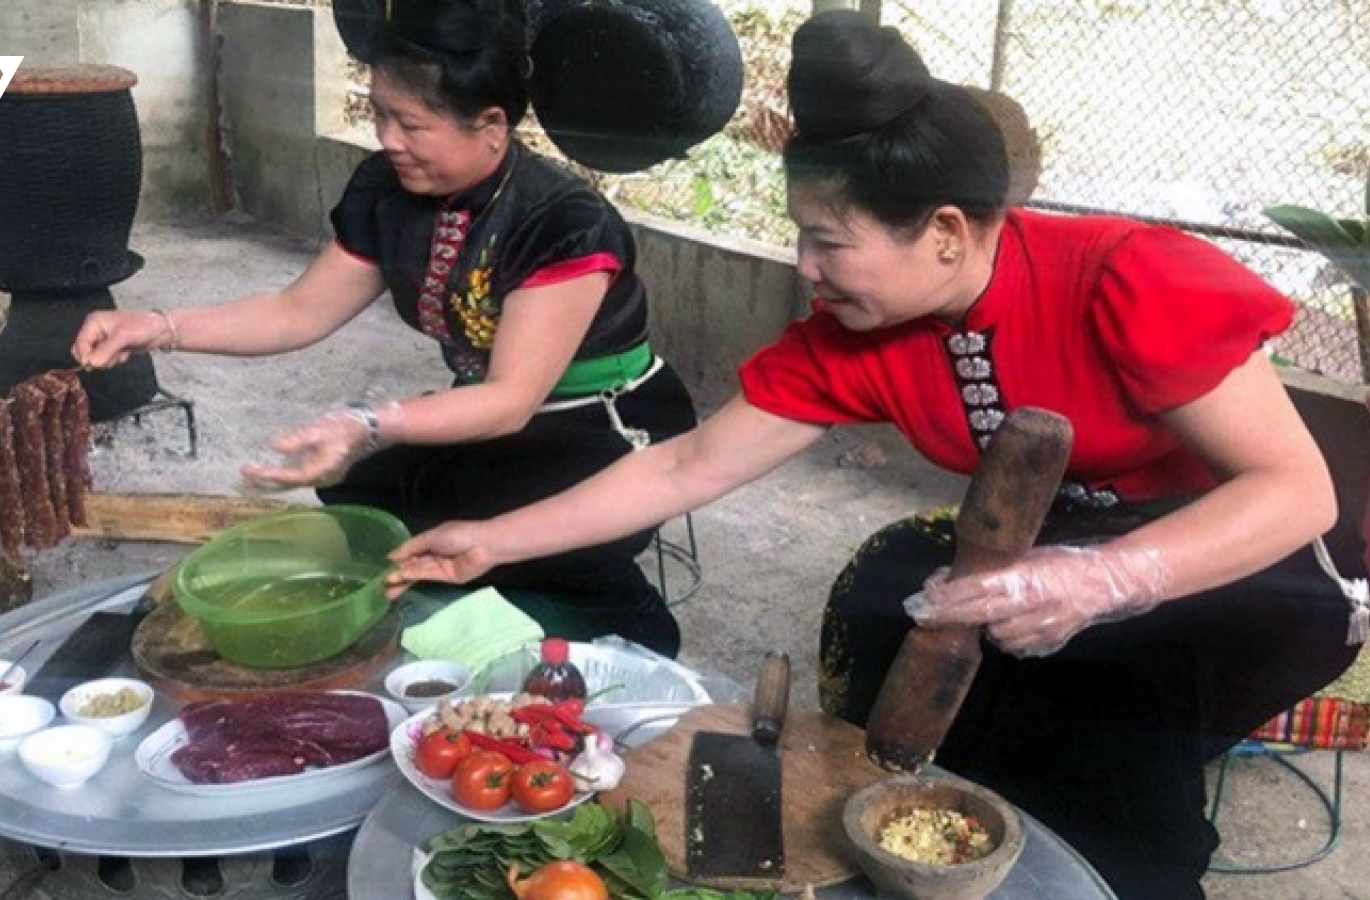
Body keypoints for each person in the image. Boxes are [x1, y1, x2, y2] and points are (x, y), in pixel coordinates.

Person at [386, 11, 1361, 898]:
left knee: (1103, 710)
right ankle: (933, 838)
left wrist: (1104, 580)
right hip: (1068, 533)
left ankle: (1131, 878)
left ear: (942, 231)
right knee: (888, 609)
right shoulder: (857, 333)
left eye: (826, 243)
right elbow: (687, 468)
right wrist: (493, 540)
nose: (804, 270)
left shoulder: (1128, 279)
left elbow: (1296, 493)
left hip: (1260, 555)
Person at [71, 0, 696, 656]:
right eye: (379, 114)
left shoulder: (561, 222)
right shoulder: (387, 189)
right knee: (360, 485)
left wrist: (368, 422)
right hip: (489, 406)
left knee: (478, 521)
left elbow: (511, 401)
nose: (388, 139)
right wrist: (158, 326)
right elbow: (299, 311)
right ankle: (481, 606)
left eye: (412, 124)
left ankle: (625, 623)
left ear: (490, 126)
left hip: (600, 421)